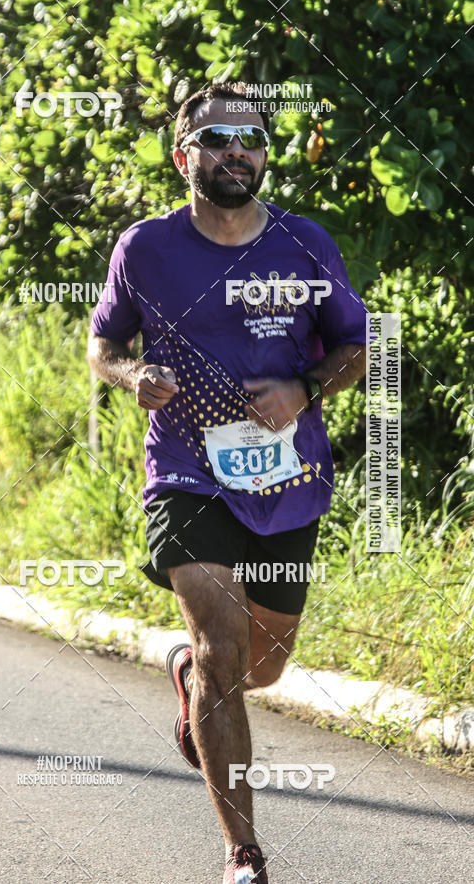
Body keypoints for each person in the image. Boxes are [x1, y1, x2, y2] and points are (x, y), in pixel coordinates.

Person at [88, 81, 368, 884]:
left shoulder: (306, 244)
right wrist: (131, 372)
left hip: (287, 480)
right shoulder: (144, 249)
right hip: (186, 474)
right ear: (186, 158)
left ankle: (188, 679)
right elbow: (102, 343)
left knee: (262, 665)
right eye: (215, 139)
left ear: (266, 155)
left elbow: (356, 346)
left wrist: (306, 389)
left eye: (248, 136)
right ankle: (243, 853)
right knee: (219, 647)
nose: (234, 149)